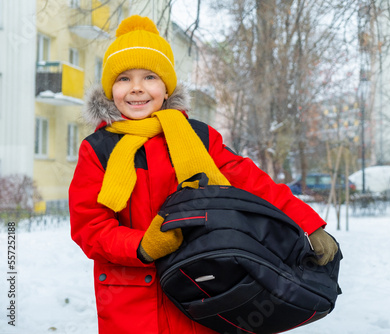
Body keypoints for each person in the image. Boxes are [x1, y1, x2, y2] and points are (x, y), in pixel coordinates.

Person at [69, 15, 338, 334]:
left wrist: (307, 222)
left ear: (166, 87)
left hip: (200, 291)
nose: (137, 88)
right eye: (124, 78)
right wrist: (141, 244)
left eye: (150, 77)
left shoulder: (198, 138)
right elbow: (90, 226)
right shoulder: (98, 149)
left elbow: (252, 184)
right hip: (130, 304)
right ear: (110, 88)